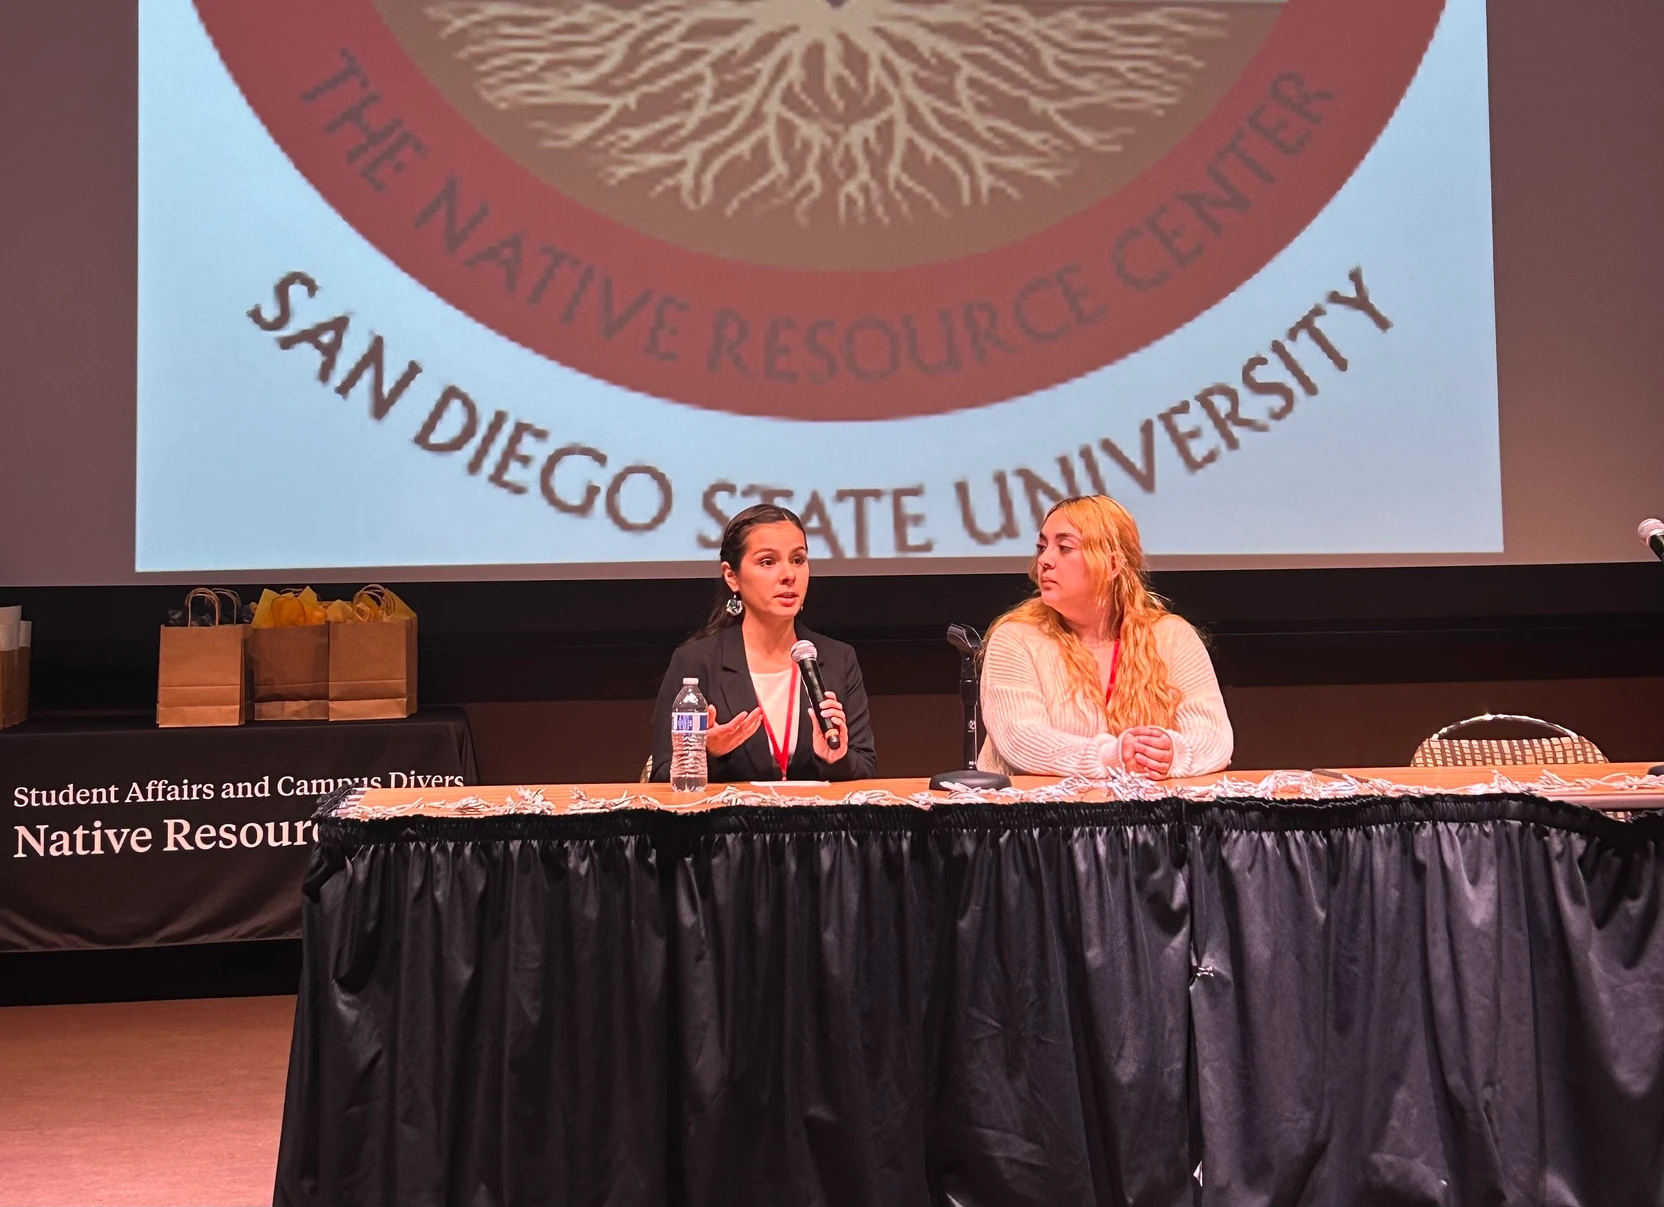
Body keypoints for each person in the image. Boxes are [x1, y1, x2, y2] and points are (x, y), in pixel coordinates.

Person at [978, 495, 1232, 779]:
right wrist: (1111, 757)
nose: (1045, 560)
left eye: (1064, 547)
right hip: (1036, 819)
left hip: (1145, 818)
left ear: (1112, 565)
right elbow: (1021, 739)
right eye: (1042, 547)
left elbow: (1214, 735)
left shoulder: (1171, 637)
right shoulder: (1015, 639)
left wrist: (1171, 754)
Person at [650, 504, 878, 782]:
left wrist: (835, 758)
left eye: (798, 559)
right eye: (768, 562)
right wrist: (707, 752)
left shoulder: (837, 658)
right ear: (731, 576)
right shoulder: (696, 662)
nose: (789, 575)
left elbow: (866, 769)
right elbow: (661, 776)